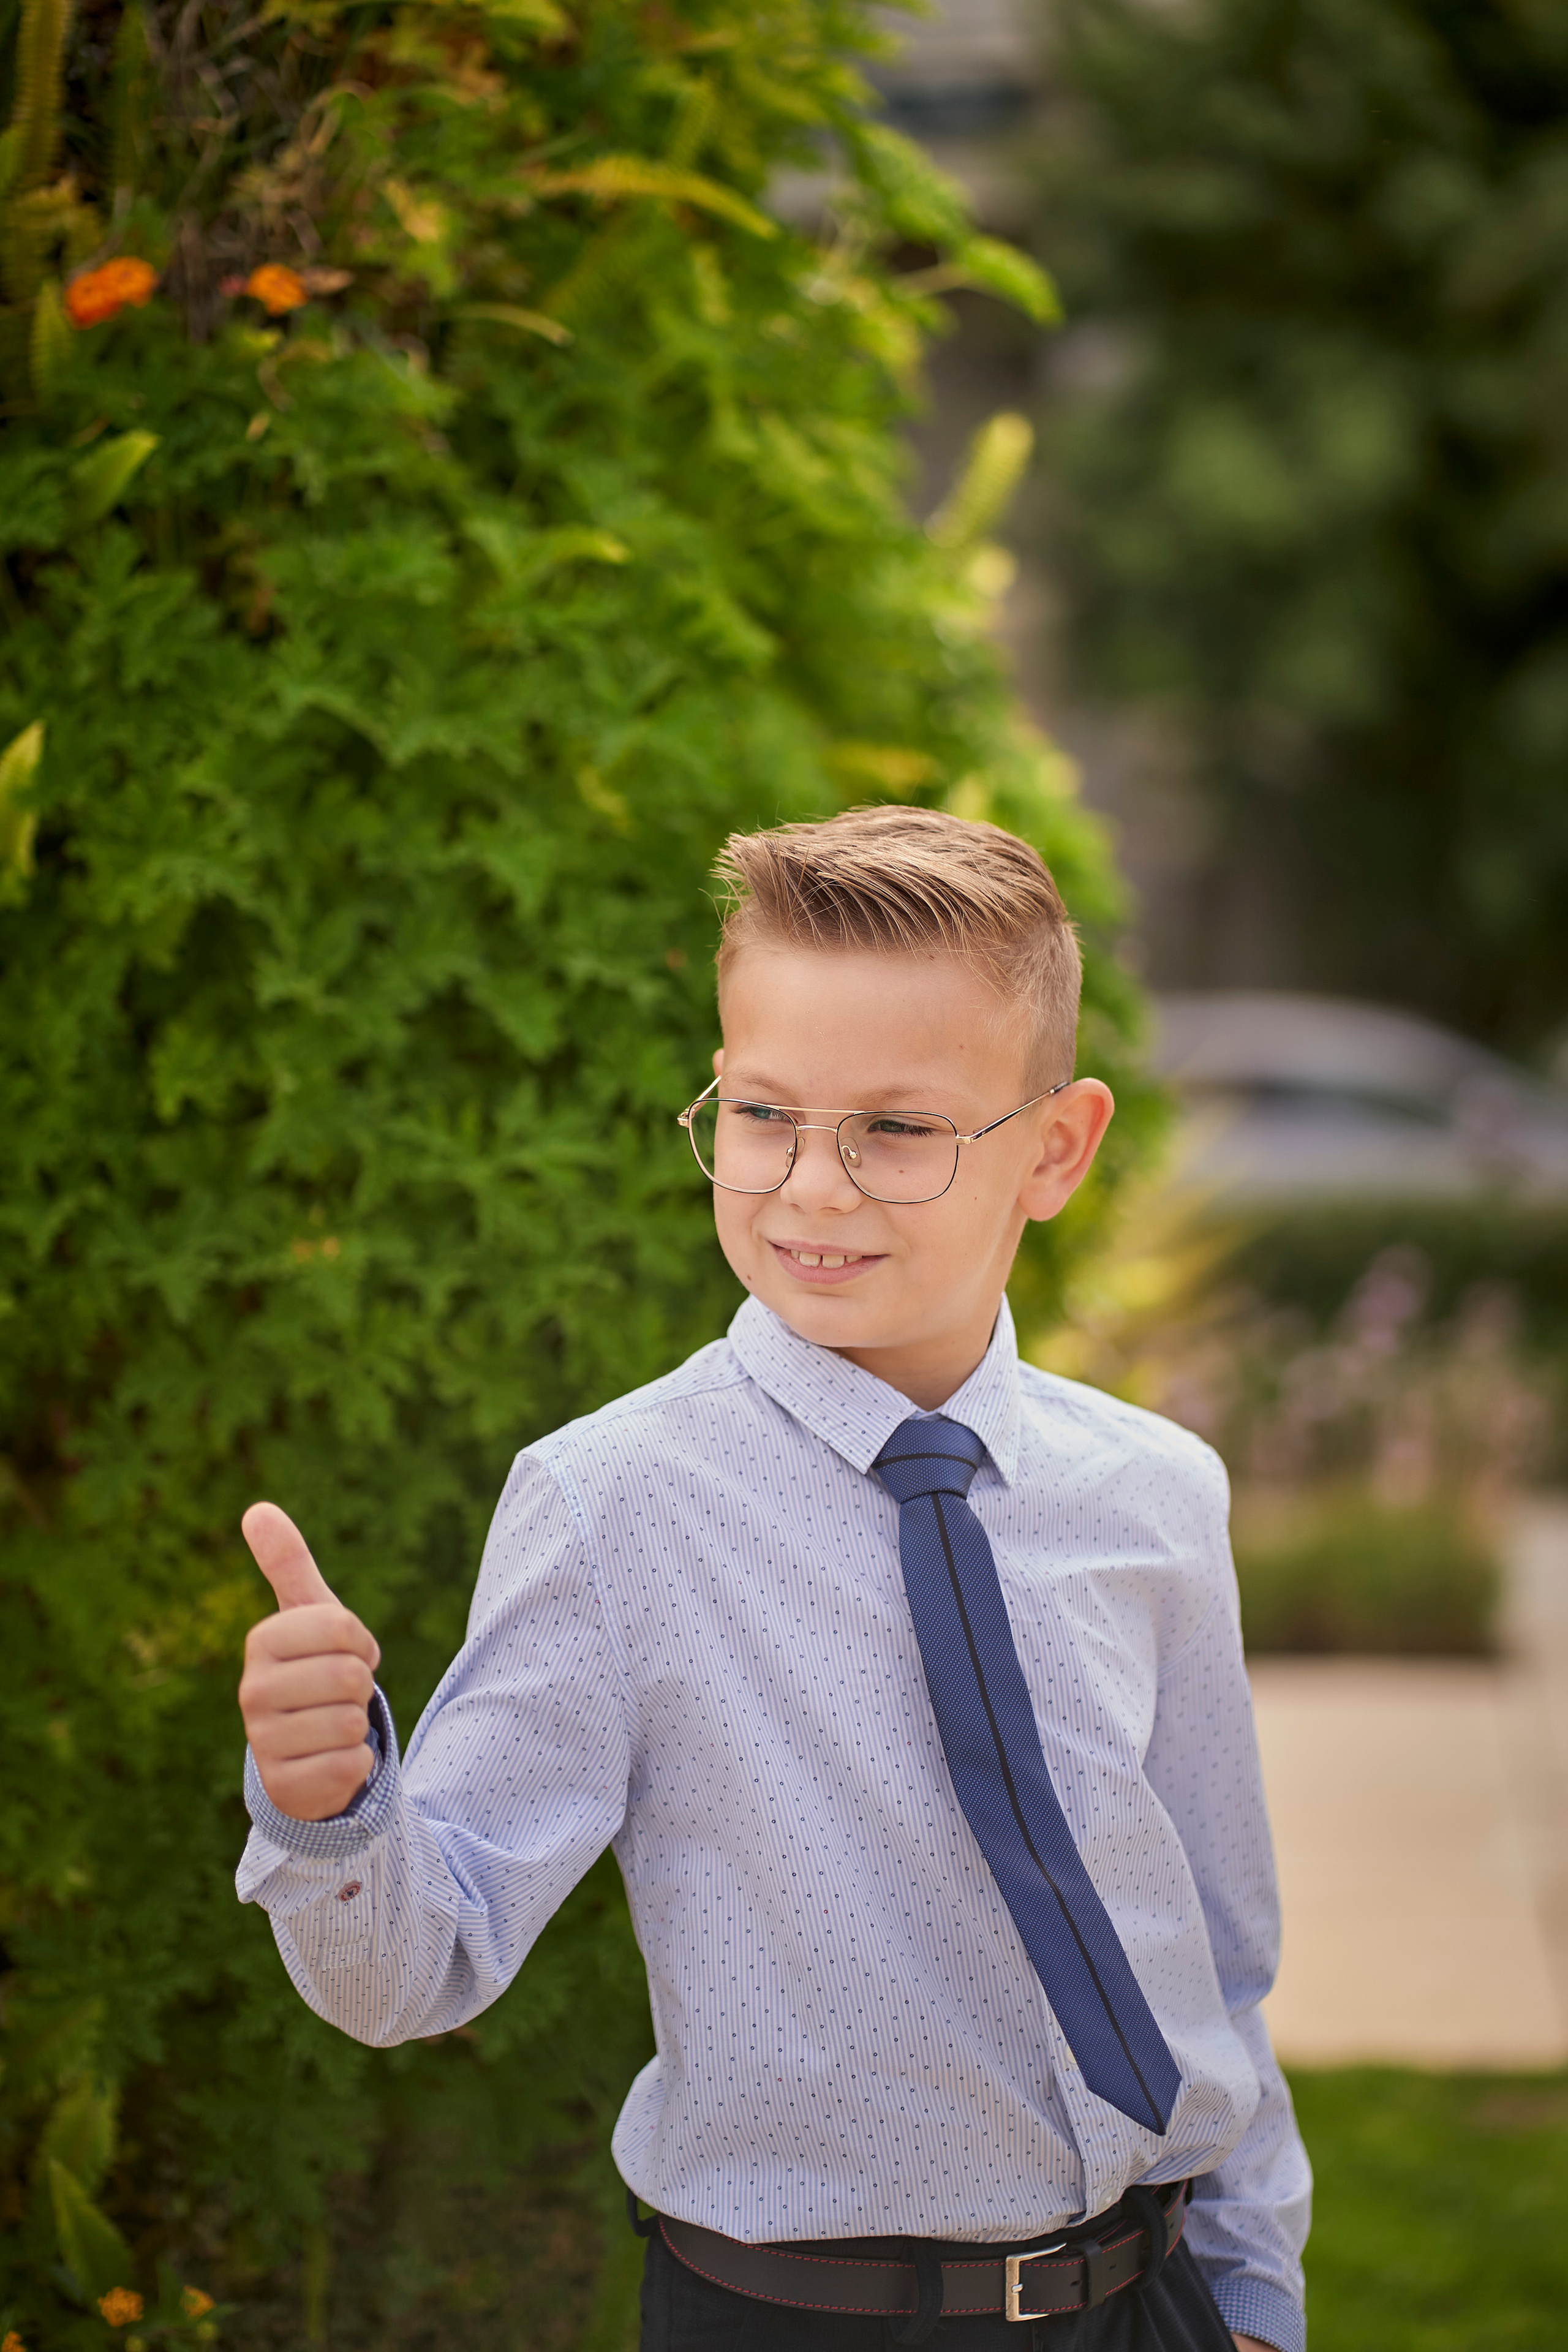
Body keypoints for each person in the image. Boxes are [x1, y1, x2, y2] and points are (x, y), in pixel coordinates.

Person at [236, 806, 1309, 2352]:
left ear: (1056, 1150)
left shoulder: (1152, 1494)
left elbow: (1218, 1956)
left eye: (894, 1129)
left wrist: (1258, 2305)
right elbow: (418, 1965)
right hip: (795, 2318)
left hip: (1154, 2307)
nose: (810, 1188)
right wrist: (328, 1802)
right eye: (760, 1115)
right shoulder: (610, 1507)